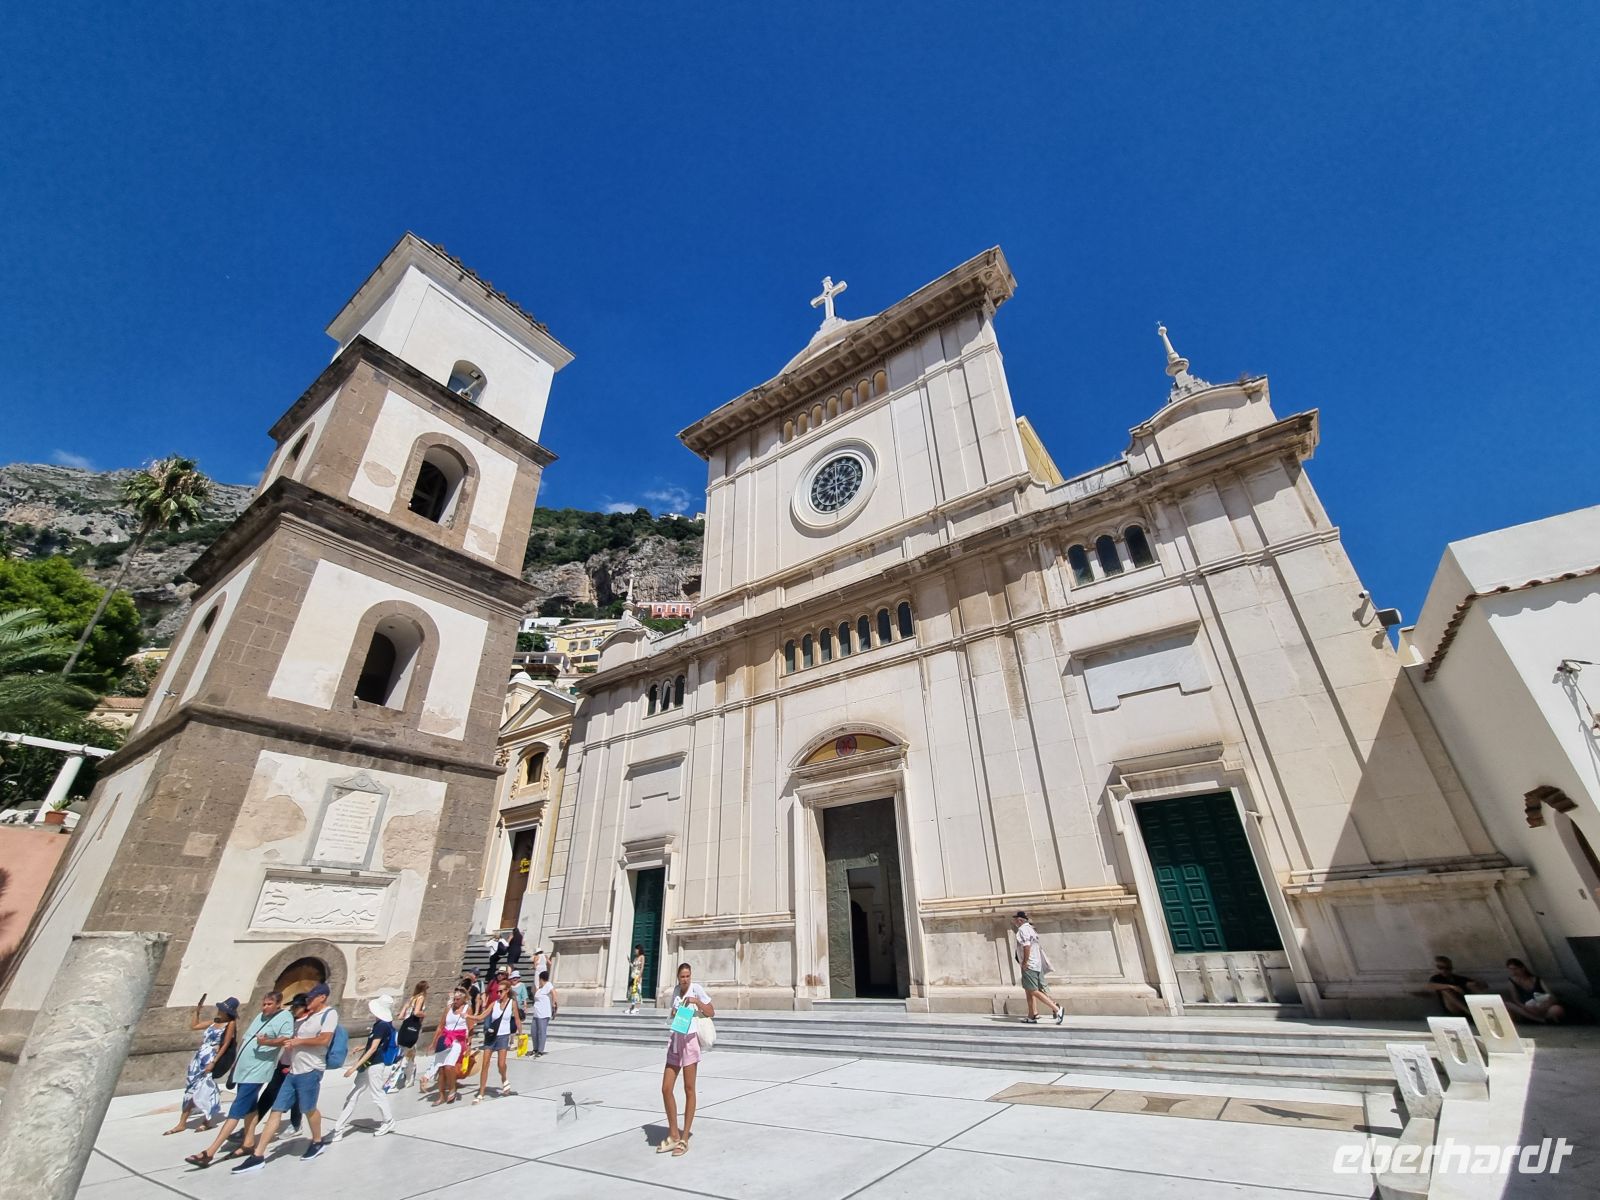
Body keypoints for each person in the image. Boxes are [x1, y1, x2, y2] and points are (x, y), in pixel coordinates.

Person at [231, 982, 340, 1173]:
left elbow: (325, 1040)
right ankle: (258, 1155)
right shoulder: (308, 1017)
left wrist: (300, 1041)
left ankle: (317, 1141)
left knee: (309, 1109)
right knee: (276, 1110)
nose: (308, 1002)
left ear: (322, 997)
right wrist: (291, 1045)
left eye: (311, 998)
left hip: (311, 1069)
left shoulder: (329, 1014)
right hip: (293, 1070)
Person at [184, 992, 290, 1167]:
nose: (265, 1007)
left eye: (269, 1004)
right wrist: (236, 1063)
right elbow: (247, 1040)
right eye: (264, 1004)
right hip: (244, 1069)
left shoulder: (284, 1017)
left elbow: (286, 1038)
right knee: (250, 1107)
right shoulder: (260, 1016)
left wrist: (267, 1043)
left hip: (257, 1071)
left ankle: (210, 1152)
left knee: (236, 1110)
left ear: (279, 1004)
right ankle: (248, 1142)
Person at [659, 962, 712, 1158]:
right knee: (666, 1088)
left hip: (690, 1042)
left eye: (688, 976)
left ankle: (684, 1139)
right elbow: (673, 1015)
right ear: (678, 977)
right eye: (682, 976)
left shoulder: (696, 989)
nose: (685, 979)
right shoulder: (675, 991)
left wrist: (696, 1002)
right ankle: (673, 1133)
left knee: (689, 1088)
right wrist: (675, 1011)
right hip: (675, 1041)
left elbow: (711, 1011)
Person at [165, 995, 237, 1135]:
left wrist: (214, 1061)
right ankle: (182, 1123)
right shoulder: (214, 1021)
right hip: (199, 1057)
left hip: (210, 1057)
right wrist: (196, 1012)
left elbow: (226, 1044)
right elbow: (194, 1026)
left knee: (205, 1088)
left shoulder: (230, 1024)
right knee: (190, 1089)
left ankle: (206, 1120)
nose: (219, 1011)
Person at [331, 994, 398, 1140]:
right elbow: (374, 1044)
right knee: (353, 1095)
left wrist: (354, 1067)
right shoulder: (380, 1024)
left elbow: (374, 1048)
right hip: (368, 1063)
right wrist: (361, 1047)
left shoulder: (382, 1026)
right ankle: (338, 1128)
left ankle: (388, 1121)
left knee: (377, 1094)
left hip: (374, 1065)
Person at [255, 996, 307, 1134]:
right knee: (269, 1094)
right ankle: (251, 1125)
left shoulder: (308, 1024)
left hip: (298, 1065)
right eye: (292, 1007)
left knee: (296, 1096)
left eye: (296, 1007)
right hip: (283, 1062)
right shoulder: (290, 1021)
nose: (293, 1010)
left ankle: (296, 1124)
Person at [473, 980, 523, 1102]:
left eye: (501, 991)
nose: (498, 993)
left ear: (507, 991)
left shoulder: (512, 1003)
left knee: (501, 1064)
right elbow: (481, 1016)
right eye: (497, 991)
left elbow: (517, 1020)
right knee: (485, 1064)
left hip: (503, 1036)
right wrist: (469, 1017)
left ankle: (504, 1078)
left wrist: (520, 1036)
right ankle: (481, 1092)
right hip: (491, 1036)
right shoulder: (494, 1003)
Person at [1011, 912, 1065, 1025]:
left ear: (1020, 920)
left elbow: (1027, 946)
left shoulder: (1022, 930)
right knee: (1029, 990)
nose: (1014, 922)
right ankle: (1032, 1014)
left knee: (1033, 990)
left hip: (1029, 964)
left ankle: (1056, 1008)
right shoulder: (1031, 929)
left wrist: (1025, 962)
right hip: (1036, 963)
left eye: (1015, 920)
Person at [431, 988, 474, 1106]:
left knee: (449, 1067)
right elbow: (440, 1026)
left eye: (458, 999)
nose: (455, 1001)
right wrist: (434, 1042)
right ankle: (441, 1096)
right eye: (454, 999)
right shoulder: (448, 1008)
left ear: (464, 998)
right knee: (441, 1069)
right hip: (445, 1040)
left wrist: (469, 1045)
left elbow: (470, 1028)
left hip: (458, 1042)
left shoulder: (467, 1009)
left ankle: (452, 1088)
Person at [1504, 958, 1566, 1024]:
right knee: (1508, 1004)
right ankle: (1541, 1020)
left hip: (1542, 1005)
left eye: (1515, 969)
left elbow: (1551, 996)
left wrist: (1545, 1005)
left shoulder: (1536, 979)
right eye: (1510, 969)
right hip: (1527, 1008)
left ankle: (1549, 1019)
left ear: (1522, 968)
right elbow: (1516, 1000)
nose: (1514, 972)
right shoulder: (1512, 982)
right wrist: (1525, 1007)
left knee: (1557, 1009)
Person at [396, 981, 429, 1088]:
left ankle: (409, 1077)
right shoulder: (421, 998)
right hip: (414, 1029)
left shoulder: (411, 999)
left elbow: (400, 1016)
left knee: (406, 1052)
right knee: (409, 1053)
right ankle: (407, 1077)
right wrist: (424, 1014)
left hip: (405, 1028)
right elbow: (416, 1013)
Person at [531, 969, 558, 1056]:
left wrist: (554, 1004)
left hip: (543, 1014)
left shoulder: (548, 985)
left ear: (541, 978)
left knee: (541, 1032)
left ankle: (540, 1050)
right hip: (536, 1013)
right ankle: (535, 1048)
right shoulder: (540, 989)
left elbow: (554, 993)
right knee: (534, 1031)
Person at [627, 945, 646, 1015]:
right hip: (633, 975)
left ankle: (637, 1008)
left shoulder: (642, 957)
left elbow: (642, 967)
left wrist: (639, 977)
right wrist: (629, 962)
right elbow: (633, 967)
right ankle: (632, 1007)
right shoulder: (635, 958)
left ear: (639, 950)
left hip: (638, 976)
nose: (635, 951)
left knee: (638, 992)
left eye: (636, 949)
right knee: (633, 992)